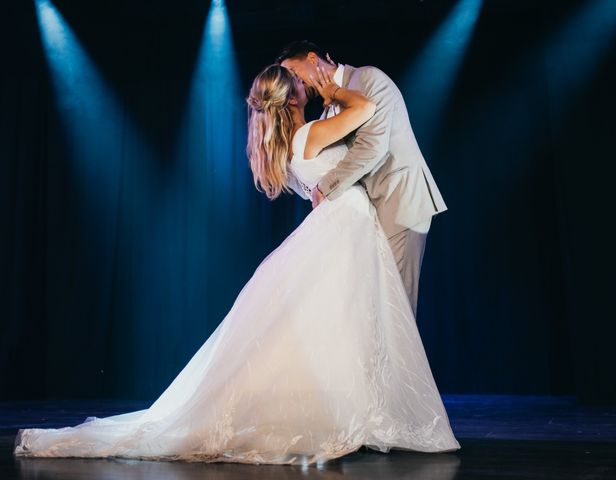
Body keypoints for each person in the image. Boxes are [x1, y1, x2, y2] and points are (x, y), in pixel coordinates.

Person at [13, 62, 460, 466]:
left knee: (346, 324)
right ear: (295, 97)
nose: (307, 85)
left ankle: (364, 411)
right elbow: (363, 110)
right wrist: (335, 92)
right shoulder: (307, 136)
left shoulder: (288, 149)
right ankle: (363, 413)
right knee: (352, 322)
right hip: (349, 228)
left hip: (348, 228)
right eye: (301, 85)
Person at [277, 40, 448, 318]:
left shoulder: (366, 78)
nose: (294, 83)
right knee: (375, 309)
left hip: (398, 199)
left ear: (312, 58)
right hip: (372, 212)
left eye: (295, 74)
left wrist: (325, 187)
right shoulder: (328, 108)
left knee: (396, 310)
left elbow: (372, 146)